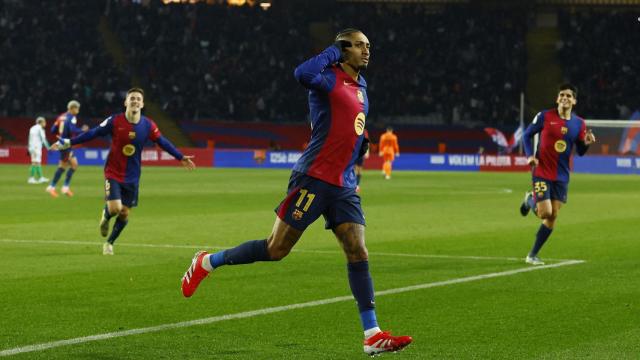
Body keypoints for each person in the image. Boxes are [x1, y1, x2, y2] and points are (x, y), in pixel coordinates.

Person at [180, 29, 412, 356]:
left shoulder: (362, 86)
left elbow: (351, 124)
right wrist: (334, 51)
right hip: (313, 177)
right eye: (359, 45)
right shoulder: (327, 78)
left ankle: (371, 334)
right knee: (276, 249)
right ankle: (206, 261)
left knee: (358, 250)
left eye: (368, 46)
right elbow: (301, 74)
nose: (367, 50)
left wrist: (361, 143)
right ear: (343, 48)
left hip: (343, 184)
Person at [52, 88, 195, 255]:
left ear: (142, 104)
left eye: (138, 99)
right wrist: (68, 142)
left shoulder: (148, 125)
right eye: (132, 98)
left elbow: (162, 142)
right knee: (115, 208)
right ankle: (105, 217)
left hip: (132, 176)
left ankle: (109, 243)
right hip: (113, 172)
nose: (135, 101)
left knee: (125, 213)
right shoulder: (115, 121)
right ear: (126, 102)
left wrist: (180, 157)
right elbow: (93, 133)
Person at [519, 83, 596, 265]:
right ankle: (531, 200)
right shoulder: (544, 116)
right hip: (542, 170)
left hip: (561, 175)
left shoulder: (579, 124)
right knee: (545, 213)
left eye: (569, 96)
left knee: (553, 217)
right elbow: (527, 135)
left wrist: (586, 142)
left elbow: (581, 150)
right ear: (557, 99)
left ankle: (532, 255)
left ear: (574, 101)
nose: (565, 98)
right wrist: (530, 156)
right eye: (562, 95)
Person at [46, 100, 89, 197]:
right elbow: (72, 129)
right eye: (77, 108)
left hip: (63, 143)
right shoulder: (72, 117)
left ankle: (64, 188)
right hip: (65, 144)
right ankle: (53, 187)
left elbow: (53, 130)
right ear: (73, 108)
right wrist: (82, 130)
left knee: (73, 165)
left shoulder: (61, 116)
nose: (78, 110)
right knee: (64, 166)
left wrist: (60, 135)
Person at [27, 116, 50, 184]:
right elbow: (43, 139)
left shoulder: (32, 128)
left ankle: (40, 178)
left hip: (32, 147)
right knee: (36, 162)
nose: (45, 123)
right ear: (41, 122)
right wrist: (48, 147)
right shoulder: (40, 128)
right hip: (37, 147)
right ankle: (32, 178)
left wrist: (29, 148)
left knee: (35, 162)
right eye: (44, 122)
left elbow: (29, 138)